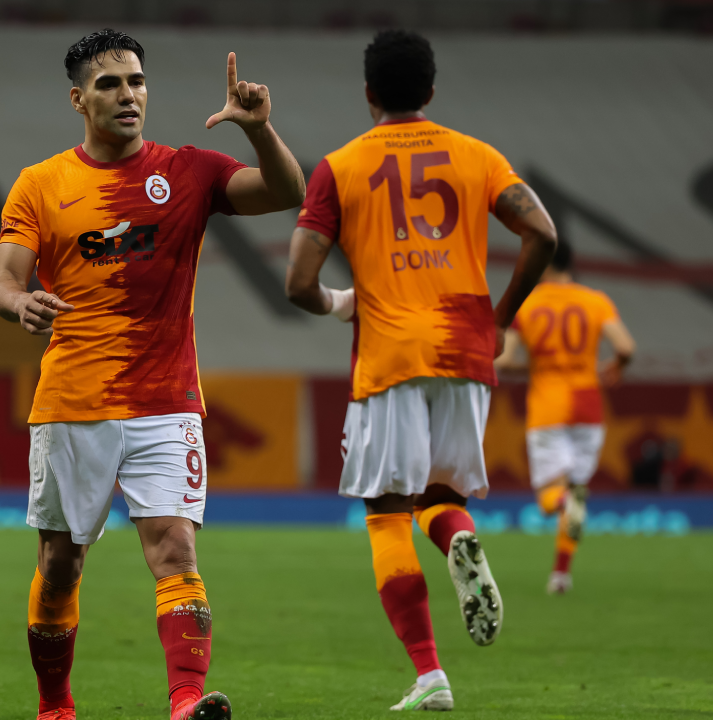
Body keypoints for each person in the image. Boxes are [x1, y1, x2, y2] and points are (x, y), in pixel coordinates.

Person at [0, 28, 304, 720]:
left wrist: (260, 131)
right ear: (78, 99)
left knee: (175, 547)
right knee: (61, 564)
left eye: (136, 81)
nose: (128, 94)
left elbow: (286, 191)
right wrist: (19, 304)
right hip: (73, 402)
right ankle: (55, 705)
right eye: (109, 84)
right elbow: (4, 280)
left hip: (167, 402)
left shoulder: (188, 170)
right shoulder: (41, 185)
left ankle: (186, 702)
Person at [285, 29, 558, 711]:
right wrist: (500, 318)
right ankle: (460, 540)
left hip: (389, 354)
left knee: (385, 514)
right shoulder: (477, 156)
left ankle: (430, 673)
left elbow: (297, 282)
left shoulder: (341, 166)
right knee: (442, 496)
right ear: (430, 92)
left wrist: (334, 302)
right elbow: (543, 234)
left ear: (369, 93)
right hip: (466, 350)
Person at [495, 237, 635, 594]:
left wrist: (538, 368)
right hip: (589, 405)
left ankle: (562, 505)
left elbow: (506, 360)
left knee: (550, 497)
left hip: (548, 407)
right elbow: (625, 347)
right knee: (577, 493)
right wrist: (615, 366)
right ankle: (560, 575)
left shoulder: (528, 303)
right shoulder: (596, 300)